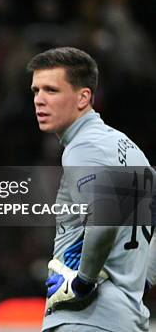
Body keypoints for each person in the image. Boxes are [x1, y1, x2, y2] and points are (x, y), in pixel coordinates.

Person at [27, 47, 156, 332]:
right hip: (127, 320)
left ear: (84, 97)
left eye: (51, 90)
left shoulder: (83, 147)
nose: (39, 100)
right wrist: (140, 281)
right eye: (36, 90)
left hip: (84, 319)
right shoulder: (129, 149)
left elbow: (103, 219)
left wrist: (83, 282)